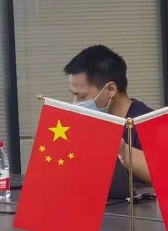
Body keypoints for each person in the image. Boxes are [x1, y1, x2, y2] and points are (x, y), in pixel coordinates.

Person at [64, 45, 153, 184]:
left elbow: (166, 176)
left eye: (81, 97)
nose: (75, 104)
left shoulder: (147, 124)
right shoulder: (92, 125)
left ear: (110, 89)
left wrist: (121, 150)